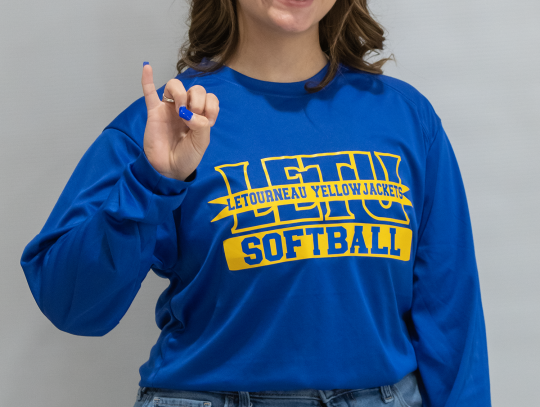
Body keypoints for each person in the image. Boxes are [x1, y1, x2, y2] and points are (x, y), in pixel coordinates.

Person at [20, 0, 492, 406]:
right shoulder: (168, 122)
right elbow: (72, 306)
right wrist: (153, 180)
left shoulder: (406, 118)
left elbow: (452, 314)